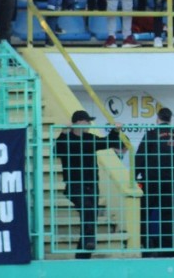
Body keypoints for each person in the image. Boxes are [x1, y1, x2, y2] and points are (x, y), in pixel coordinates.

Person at [53, 110, 123, 259]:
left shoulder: (89, 138)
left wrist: (115, 131)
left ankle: (83, 255)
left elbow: (107, 142)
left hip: (91, 185)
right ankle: (88, 243)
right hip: (75, 186)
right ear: (79, 122)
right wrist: (63, 133)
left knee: (91, 216)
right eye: (87, 121)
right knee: (88, 209)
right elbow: (56, 150)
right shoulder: (67, 139)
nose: (90, 124)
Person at [134, 107, 174, 257]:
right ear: (170, 119)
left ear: (157, 119)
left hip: (150, 181)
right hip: (169, 182)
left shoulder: (151, 134)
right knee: (167, 216)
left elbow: (140, 158)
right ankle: (167, 250)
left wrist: (135, 177)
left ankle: (144, 245)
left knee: (144, 212)